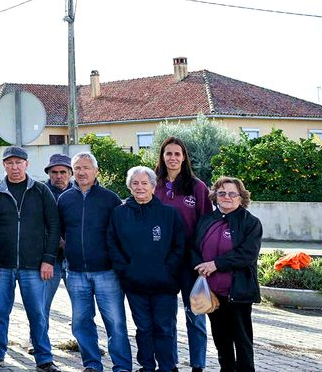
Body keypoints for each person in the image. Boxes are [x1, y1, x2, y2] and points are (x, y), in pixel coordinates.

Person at [0, 146, 60, 371]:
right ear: (4, 165)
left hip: (34, 266)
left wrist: (49, 259)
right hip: (1, 266)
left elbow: (54, 226)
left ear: (26, 164)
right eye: (10, 163)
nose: (14, 167)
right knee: (0, 312)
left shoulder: (41, 191)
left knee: (37, 314)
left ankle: (44, 358)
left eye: (18, 162)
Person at [58, 152, 130, 372]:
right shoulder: (64, 199)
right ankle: (91, 364)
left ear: (96, 171)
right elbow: (59, 232)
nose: (81, 172)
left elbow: (121, 233)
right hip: (75, 272)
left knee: (115, 323)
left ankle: (122, 366)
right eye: (77, 168)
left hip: (107, 272)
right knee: (80, 323)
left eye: (86, 167)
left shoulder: (110, 199)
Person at [108, 166, 185, 372]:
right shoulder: (119, 213)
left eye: (144, 183)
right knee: (143, 328)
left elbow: (180, 246)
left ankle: (167, 367)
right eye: (135, 183)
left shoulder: (169, 214)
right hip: (134, 283)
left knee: (164, 327)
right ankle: (147, 366)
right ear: (129, 187)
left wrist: (169, 270)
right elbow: (112, 244)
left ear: (153, 187)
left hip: (164, 284)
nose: (139, 187)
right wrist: (125, 270)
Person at [192, 177, 262, 372]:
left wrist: (215, 264)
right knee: (221, 340)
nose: (227, 197)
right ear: (215, 196)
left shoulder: (251, 223)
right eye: (222, 193)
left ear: (241, 198)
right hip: (212, 293)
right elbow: (194, 248)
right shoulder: (206, 220)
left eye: (232, 194)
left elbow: (247, 254)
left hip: (238, 293)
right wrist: (199, 265)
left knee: (242, 340)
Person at [154, 137, 211, 372]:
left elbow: (208, 224)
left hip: (192, 262)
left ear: (184, 157)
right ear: (162, 156)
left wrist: (205, 259)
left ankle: (198, 364)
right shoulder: (153, 184)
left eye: (177, 154)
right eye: (169, 153)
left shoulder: (198, 187)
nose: (173, 158)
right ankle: (169, 364)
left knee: (196, 315)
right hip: (162, 262)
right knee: (165, 318)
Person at [41, 154, 72, 320]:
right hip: (49, 259)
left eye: (63, 172)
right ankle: (37, 343)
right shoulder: (40, 193)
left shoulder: (78, 193)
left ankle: (86, 345)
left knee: (81, 305)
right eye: (54, 172)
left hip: (74, 258)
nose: (58, 176)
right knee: (42, 305)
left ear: (70, 173)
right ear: (48, 173)